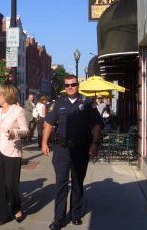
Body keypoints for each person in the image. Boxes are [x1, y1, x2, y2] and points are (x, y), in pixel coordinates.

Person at [41, 74, 103, 230]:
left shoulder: (88, 103)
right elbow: (48, 123)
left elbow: (96, 124)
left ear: (78, 85)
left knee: (77, 183)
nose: (70, 87)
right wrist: (44, 142)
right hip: (62, 150)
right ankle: (58, 219)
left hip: (81, 150)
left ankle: (75, 215)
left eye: (73, 84)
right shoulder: (59, 103)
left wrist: (95, 144)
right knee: (61, 184)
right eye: (67, 85)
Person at [0, 84, 29, 226]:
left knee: (11, 184)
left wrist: (14, 132)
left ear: (6, 95)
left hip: (12, 152)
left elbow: (26, 130)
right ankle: (2, 216)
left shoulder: (18, 111)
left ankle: (16, 208)